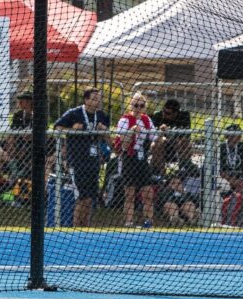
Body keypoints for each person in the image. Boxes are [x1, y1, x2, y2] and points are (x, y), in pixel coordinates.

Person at [53, 87, 110, 227]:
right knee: (81, 196)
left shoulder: (101, 115)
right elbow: (56, 128)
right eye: (94, 99)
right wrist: (73, 130)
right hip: (77, 161)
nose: (97, 102)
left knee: (90, 197)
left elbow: (109, 139)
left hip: (94, 160)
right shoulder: (74, 113)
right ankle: (75, 227)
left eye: (99, 99)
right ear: (86, 100)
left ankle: (85, 227)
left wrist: (105, 131)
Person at [114, 93, 158, 228]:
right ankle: (128, 222)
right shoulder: (125, 120)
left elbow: (154, 139)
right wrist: (131, 131)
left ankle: (148, 221)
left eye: (142, 105)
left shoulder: (147, 119)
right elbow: (123, 145)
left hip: (142, 158)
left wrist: (155, 142)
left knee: (148, 193)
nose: (138, 108)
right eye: (135, 105)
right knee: (129, 193)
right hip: (129, 158)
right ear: (131, 105)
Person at [150, 98, 192, 176]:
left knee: (184, 142)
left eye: (167, 113)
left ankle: (184, 170)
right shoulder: (157, 115)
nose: (164, 114)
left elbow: (186, 135)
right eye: (163, 110)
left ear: (175, 113)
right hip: (163, 145)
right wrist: (161, 131)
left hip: (177, 144)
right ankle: (161, 174)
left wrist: (171, 133)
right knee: (157, 143)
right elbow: (153, 136)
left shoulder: (184, 115)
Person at [9, 90, 33, 180]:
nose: (19, 103)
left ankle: (24, 172)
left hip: (32, 145)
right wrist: (13, 147)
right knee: (8, 143)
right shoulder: (17, 115)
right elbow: (12, 132)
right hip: (19, 143)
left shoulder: (38, 114)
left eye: (22, 100)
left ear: (29, 102)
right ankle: (14, 172)